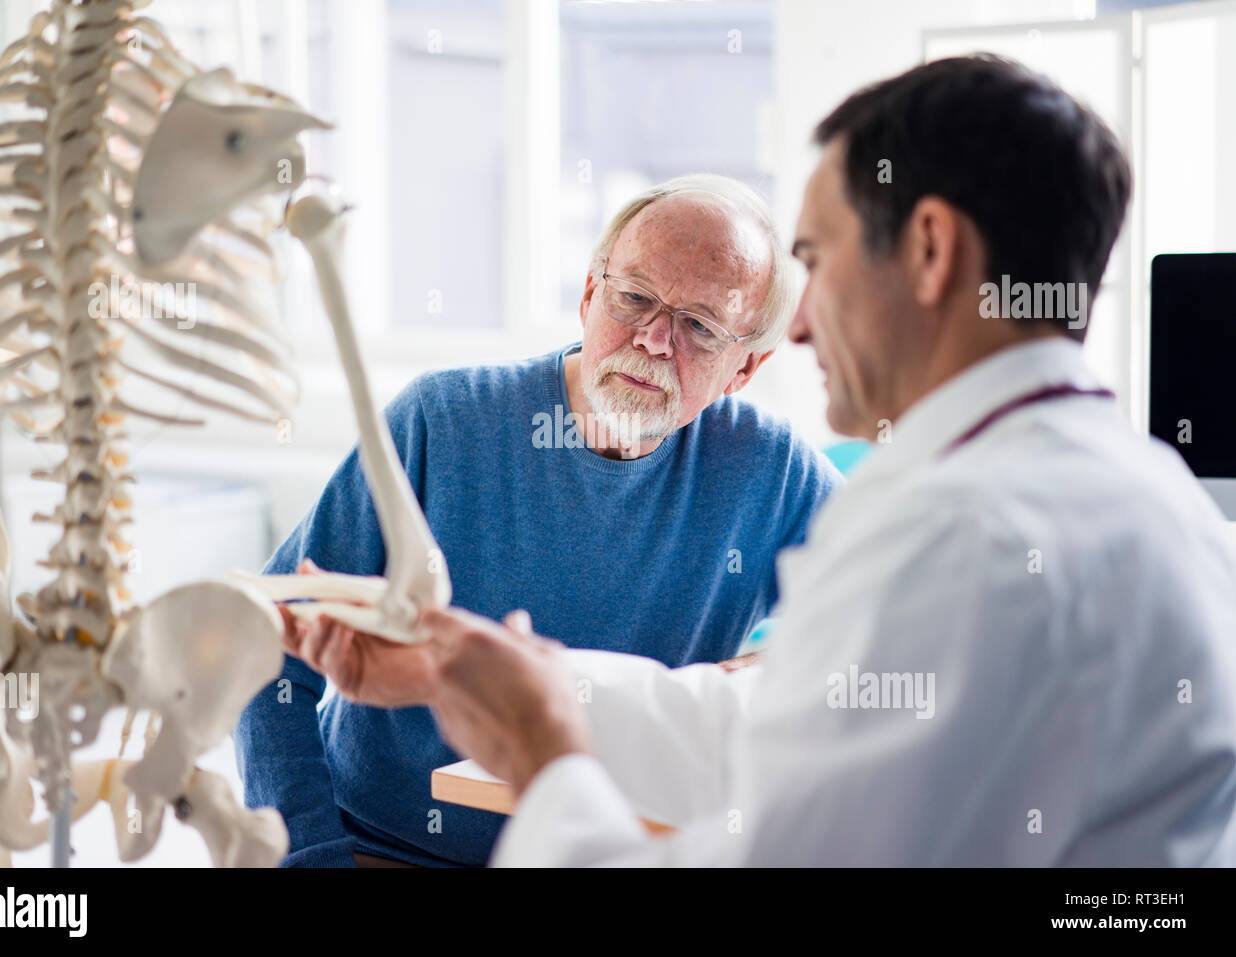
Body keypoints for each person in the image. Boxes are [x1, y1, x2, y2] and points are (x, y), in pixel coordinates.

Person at [286, 55, 1236, 866]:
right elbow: (781, 733)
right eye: (637, 303)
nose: (807, 322)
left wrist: (542, 758)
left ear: (932, 250)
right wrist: (487, 668)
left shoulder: (962, 535)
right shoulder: (1147, 499)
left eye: (816, 261)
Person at [234, 173, 843, 867]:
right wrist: (310, 854)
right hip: (386, 848)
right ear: (589, 294)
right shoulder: (443, 421)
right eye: (635, 298)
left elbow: (887, 632)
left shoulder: (774, 470)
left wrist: (773, 669)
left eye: (699, 327)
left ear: (745, 368)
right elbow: (264, 648)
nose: (652, 340)